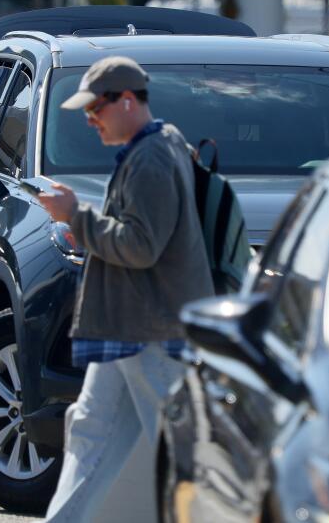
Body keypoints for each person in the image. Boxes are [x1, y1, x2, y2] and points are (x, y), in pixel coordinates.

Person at [37, 56, 214, 521]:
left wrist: (76, 215)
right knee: (95, 436)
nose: (90, 119)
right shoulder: (160, 146)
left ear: (128, 100)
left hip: (147, 330)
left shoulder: (152, 157)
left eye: (95, 108)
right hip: (132, 327)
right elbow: (140, 234)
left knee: (180, 458)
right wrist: (88, 222)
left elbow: (140, 246)